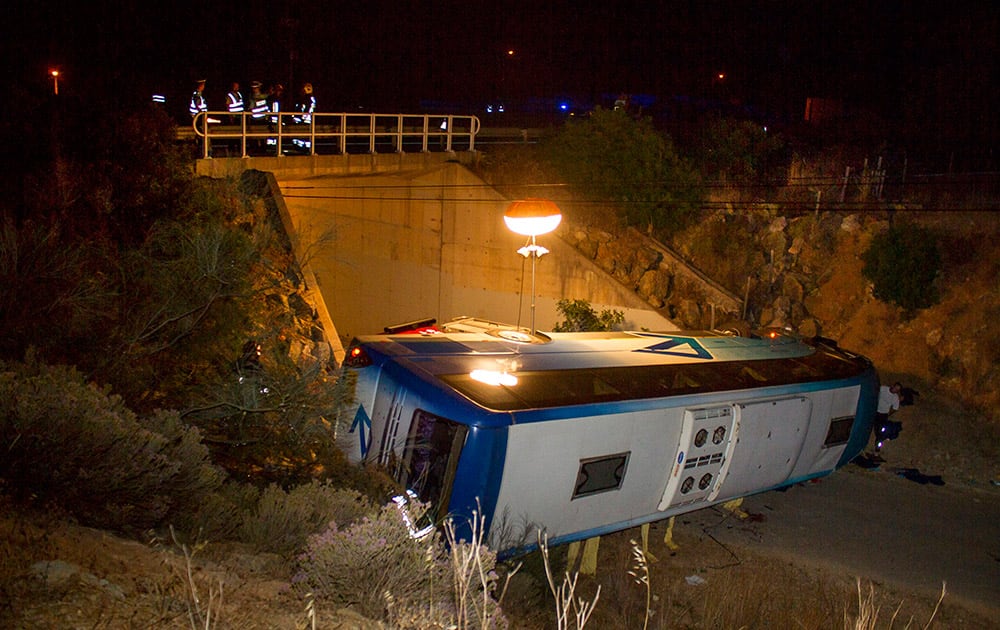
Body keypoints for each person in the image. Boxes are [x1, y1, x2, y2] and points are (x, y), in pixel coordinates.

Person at [873, 382, 902, 455]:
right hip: (874, 411)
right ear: (892, 385)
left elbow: (895, 408)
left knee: (881, 432)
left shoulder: (895, 398)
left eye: (897, 390)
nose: (895, 390)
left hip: (883, 415)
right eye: (895, 387)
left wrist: (888, 414)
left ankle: (877, 449)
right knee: (874, 428)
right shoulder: (883, 389)